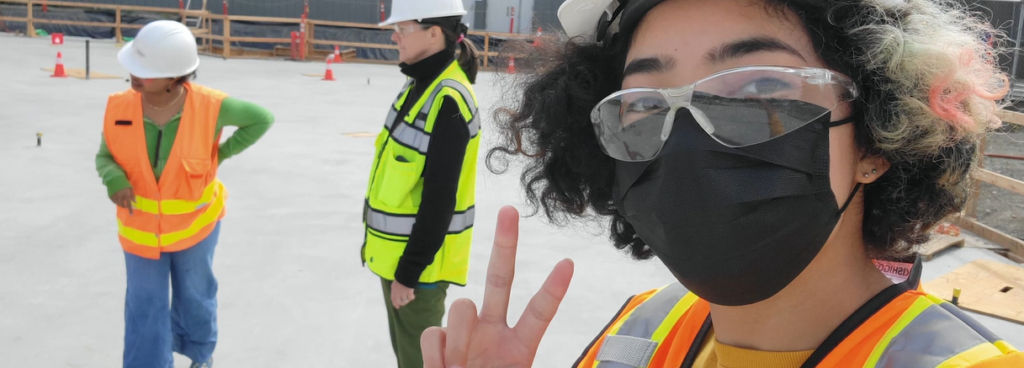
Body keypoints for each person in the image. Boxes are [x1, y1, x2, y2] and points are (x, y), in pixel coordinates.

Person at [420, 0, 1024, 367]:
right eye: (644, 102)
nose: (685, 138)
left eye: (760, 89)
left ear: (875, 137)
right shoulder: (642, 329)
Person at [95, 20, 274, 368]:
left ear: (175, 78)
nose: (134, 75)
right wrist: (113, 179)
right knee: (144, 304)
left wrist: (221, 153)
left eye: (145, 71)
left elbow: (262, 118)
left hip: (196, 229)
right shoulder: (118, 107)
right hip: (140, 231)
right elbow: (105, 156)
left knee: (196, 298)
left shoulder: (210, 107)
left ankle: (199, 356)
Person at [364, 0, 481, 366]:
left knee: (420, 361)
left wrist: (408, 274)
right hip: (394, 259)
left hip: (419, 273)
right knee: (407, 357)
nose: (395, 37)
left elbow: (439, 202)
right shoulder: (416, 84)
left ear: (433, 33)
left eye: (403, 28)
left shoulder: (448, 101)